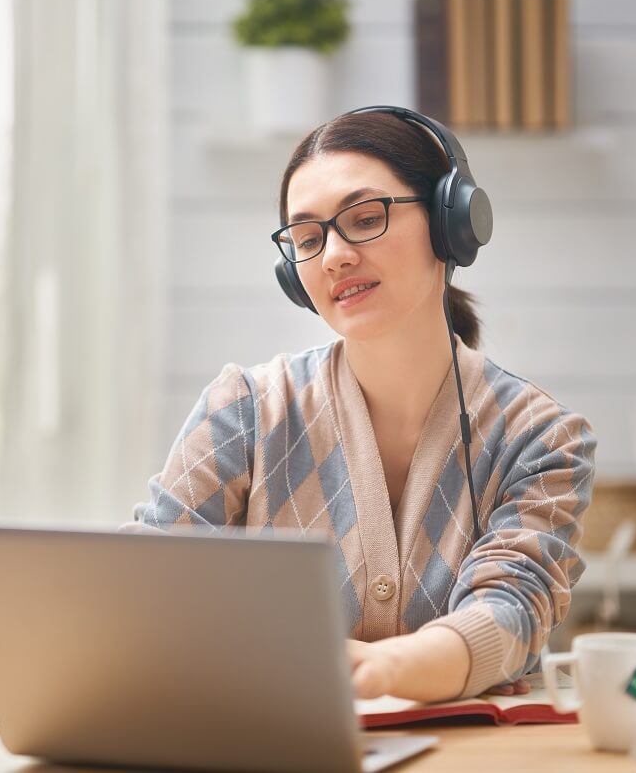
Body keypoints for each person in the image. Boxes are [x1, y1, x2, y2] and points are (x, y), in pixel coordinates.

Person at [131, 107, 596, 704]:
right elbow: (147, 586)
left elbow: (512, 609)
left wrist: (378, 671)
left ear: (451, 223)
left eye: (365, 218)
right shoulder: (244, 411)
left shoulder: (540, 437)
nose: (333, 256)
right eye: (307, 238)